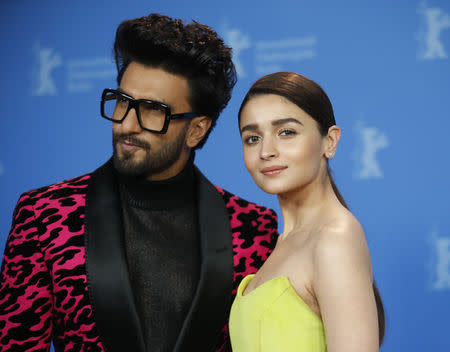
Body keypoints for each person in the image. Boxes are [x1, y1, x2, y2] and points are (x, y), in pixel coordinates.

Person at [0, 14, 278, 352]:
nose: (127, 125)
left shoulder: (253, 228)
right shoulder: (44, 216)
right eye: (122, 101)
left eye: (152, 110)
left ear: (197, 129)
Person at [229, 72, 385, 352]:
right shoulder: (279, 243)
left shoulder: (335, 238)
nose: (266, 151)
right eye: (252, 138)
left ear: (330, 141)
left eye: (286, 132)